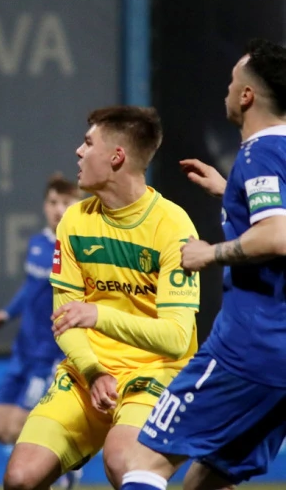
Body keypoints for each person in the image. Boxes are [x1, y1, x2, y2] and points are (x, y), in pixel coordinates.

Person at [3, 106, 201, 490]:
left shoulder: (172, 225)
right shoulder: (74, 222)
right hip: (87, 373)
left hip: (153, 374)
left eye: (88, 143)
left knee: (122, 462)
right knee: (19, 478)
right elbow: (64, 319)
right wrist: (93, 370)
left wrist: (99, 316)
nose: (78, 151)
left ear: (116, 157)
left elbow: (177, 338)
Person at [119, 39, 286, 490]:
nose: (227, 91)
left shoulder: (260, 153)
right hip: (279, 359)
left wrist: (208, 253)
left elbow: (277, 235)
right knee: (211, 475)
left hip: (249, 348)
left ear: (247, 96)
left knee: (144, 460)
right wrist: (231, 191)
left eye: (233, 82)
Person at [0, 174, 80, 486]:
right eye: (52, 202)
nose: (57, 209)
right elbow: (31, 288)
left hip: (51, 356)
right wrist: (6, 313)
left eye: (65, 202)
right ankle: (66, 463)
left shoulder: (78, 249)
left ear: (78, 205)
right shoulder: (38, 244)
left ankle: (63, 471)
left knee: (27, 428)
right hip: (23, 352)